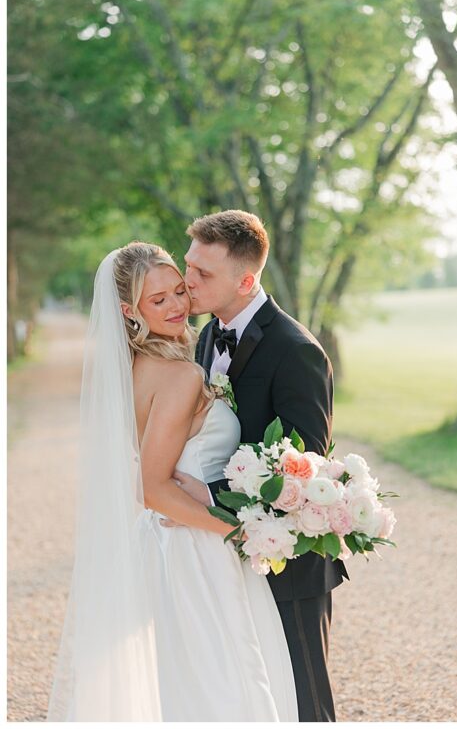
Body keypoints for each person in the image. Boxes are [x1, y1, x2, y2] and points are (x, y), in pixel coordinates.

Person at [48, 242, 296, 721]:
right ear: (129, 311)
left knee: (186, 683)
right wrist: (240, 534)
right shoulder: (179, 375)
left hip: (166, 545)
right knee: (224, 686)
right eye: (157, 301)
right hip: (196, 548)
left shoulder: (135, 369)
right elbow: (152, 487)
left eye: (179, 291)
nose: (178, 306)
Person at [170, 209, 347, 722]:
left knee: (304, 699)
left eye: (203, 274)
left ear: (246, 280)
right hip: (226, 554)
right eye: (189, 265)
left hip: (289, 564)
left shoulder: (297, 352)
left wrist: (211, 494)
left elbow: (305, 468)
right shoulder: (206, 336)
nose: (188, 281)